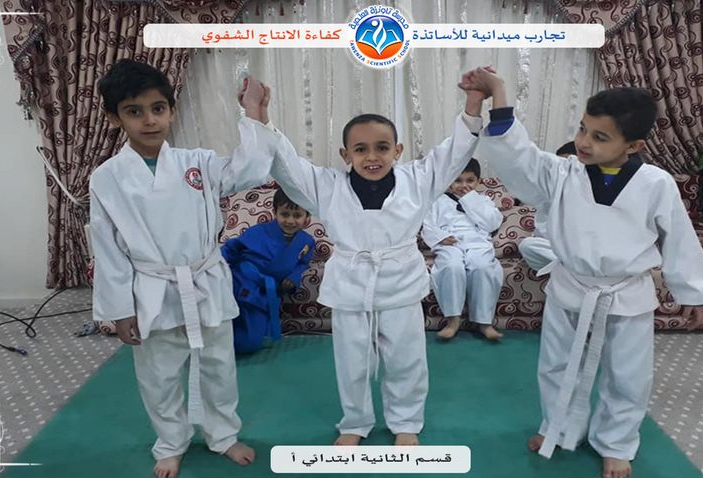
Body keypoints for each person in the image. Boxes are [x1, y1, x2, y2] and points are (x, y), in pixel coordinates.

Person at [468, 67, 703, 478]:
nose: (584, 142)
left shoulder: (656, 184)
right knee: (555, 364)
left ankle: (615, 443)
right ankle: (559, 427)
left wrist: (694, 293)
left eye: (600, 137)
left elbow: (679, 238)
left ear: (634, 145)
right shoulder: (562, 173)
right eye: (583, 129)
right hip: (571, 285)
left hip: (626, 292)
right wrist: (498, 94)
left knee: (627, 375)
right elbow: (518, 157)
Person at [235, 72, 487, 446]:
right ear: (345, 155)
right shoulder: (326, 186)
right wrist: (259, 115)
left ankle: (406, 422)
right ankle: (355, 422)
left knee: (406, 360)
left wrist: (473, 104)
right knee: (352, 361)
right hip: (351, 285)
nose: (372, 157)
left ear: (397, 151)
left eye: (382, 147)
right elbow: (285, 163)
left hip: (400, 282)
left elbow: (455, 153)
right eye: (361, 149)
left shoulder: (419, 179)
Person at [90, 59, 271, 478]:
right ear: (114, 118)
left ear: (172, 110)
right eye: (134, 111)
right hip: (152, 288)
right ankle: (170, 443)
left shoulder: (198, 162)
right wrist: (120, 309)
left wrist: (254, 114)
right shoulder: (107, 178)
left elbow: (250, 169)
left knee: (219, 368)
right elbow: (108, 247)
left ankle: (223, 435)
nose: (149, 120)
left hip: (204, 281)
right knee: (159, 375)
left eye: (158, 108)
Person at [221, 187, 315, 353]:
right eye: (284, 214)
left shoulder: (307, 242)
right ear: (275, 212)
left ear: (307, 217)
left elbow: (303, 263)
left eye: (297, 215)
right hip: (240, 283)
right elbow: (230, 249)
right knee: (224, 322)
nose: (290, 221)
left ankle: (228, 346)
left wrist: (294, 277)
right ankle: (214, 348)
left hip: (265, 293)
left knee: (250, 343)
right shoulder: (258, 232)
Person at [422, 158, 504, 341]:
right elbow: (428, 226)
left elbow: (492, 223)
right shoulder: (438, 201)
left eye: (470, 180)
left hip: (478, 243)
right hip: (450, 243)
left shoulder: (483, 201)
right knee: (452, 266)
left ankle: (484, 322)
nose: (464, 185)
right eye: (458, 180)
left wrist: (471, 201)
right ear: (449, 181)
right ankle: (453, 320)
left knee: (482, 267)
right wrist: (441, 237)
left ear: (478, 181)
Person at [518, 141, 575, 272]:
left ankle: (574, 270)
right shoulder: (547, 193)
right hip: (557, 252)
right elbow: (542, 235)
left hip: (585, 252)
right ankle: (575, 270)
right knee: (527, 246)